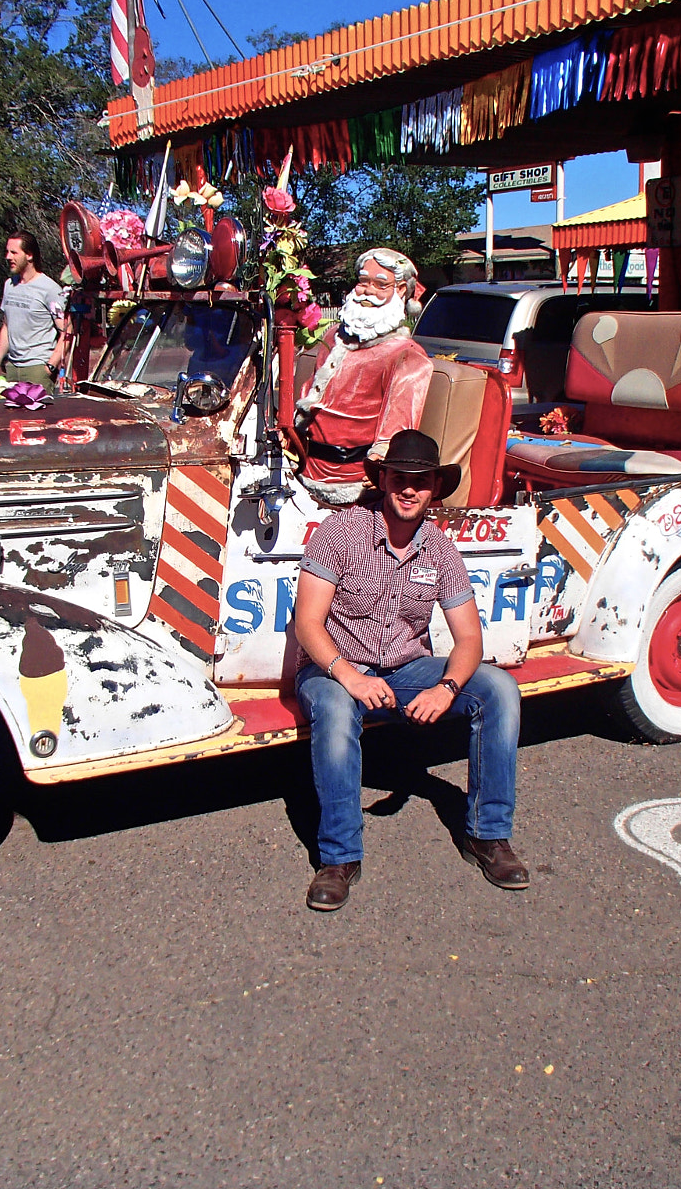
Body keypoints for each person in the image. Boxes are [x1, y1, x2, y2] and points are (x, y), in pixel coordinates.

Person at [292, 429, 528, 911]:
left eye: (421, 481)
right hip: (336, 669)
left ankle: (488, 836)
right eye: (399, 477)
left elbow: (469, 640)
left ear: (435, 488)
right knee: (337, 712)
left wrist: (446, 687)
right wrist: (349, 675)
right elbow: (308, 623)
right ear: (383, 479)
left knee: (499, 689)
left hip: (406, 671)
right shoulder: (341, 532)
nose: (409, 489)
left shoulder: (441, 551)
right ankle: (339, 859)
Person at [295, 248, 435, 505]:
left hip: (357, 485)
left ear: (401, 290)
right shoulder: (332, 337)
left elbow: (399, 427)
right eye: (363, 282)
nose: (367, 291)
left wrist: (381, 459)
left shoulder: (406, 355)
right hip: (305, 472)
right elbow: (310, 396)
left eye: (381, 284)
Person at [0, 232, 68, 389]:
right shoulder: (9, 285)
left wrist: (50, 366)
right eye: (7, 252)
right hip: (11, 369)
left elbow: (66, 331)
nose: (8, 257)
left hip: (37, 370)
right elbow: (6, 327)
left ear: (29, 255)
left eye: (14, 252)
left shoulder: (49, 289)